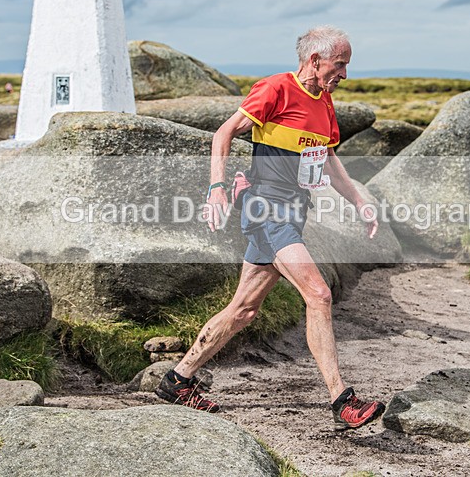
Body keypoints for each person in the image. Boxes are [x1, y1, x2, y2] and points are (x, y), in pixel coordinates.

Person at [155, 25, 386, 430]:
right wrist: (216, 188)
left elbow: (328, 163)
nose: (344, 74)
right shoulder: (275, 89)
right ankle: (342, 400)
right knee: (319, 294)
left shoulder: (325, 104)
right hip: (266, 209)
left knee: (243, 310)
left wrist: (360, 203)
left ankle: (178, 379)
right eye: (340, 64)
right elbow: (223, 133)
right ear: (315, 60)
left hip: (293, 211)